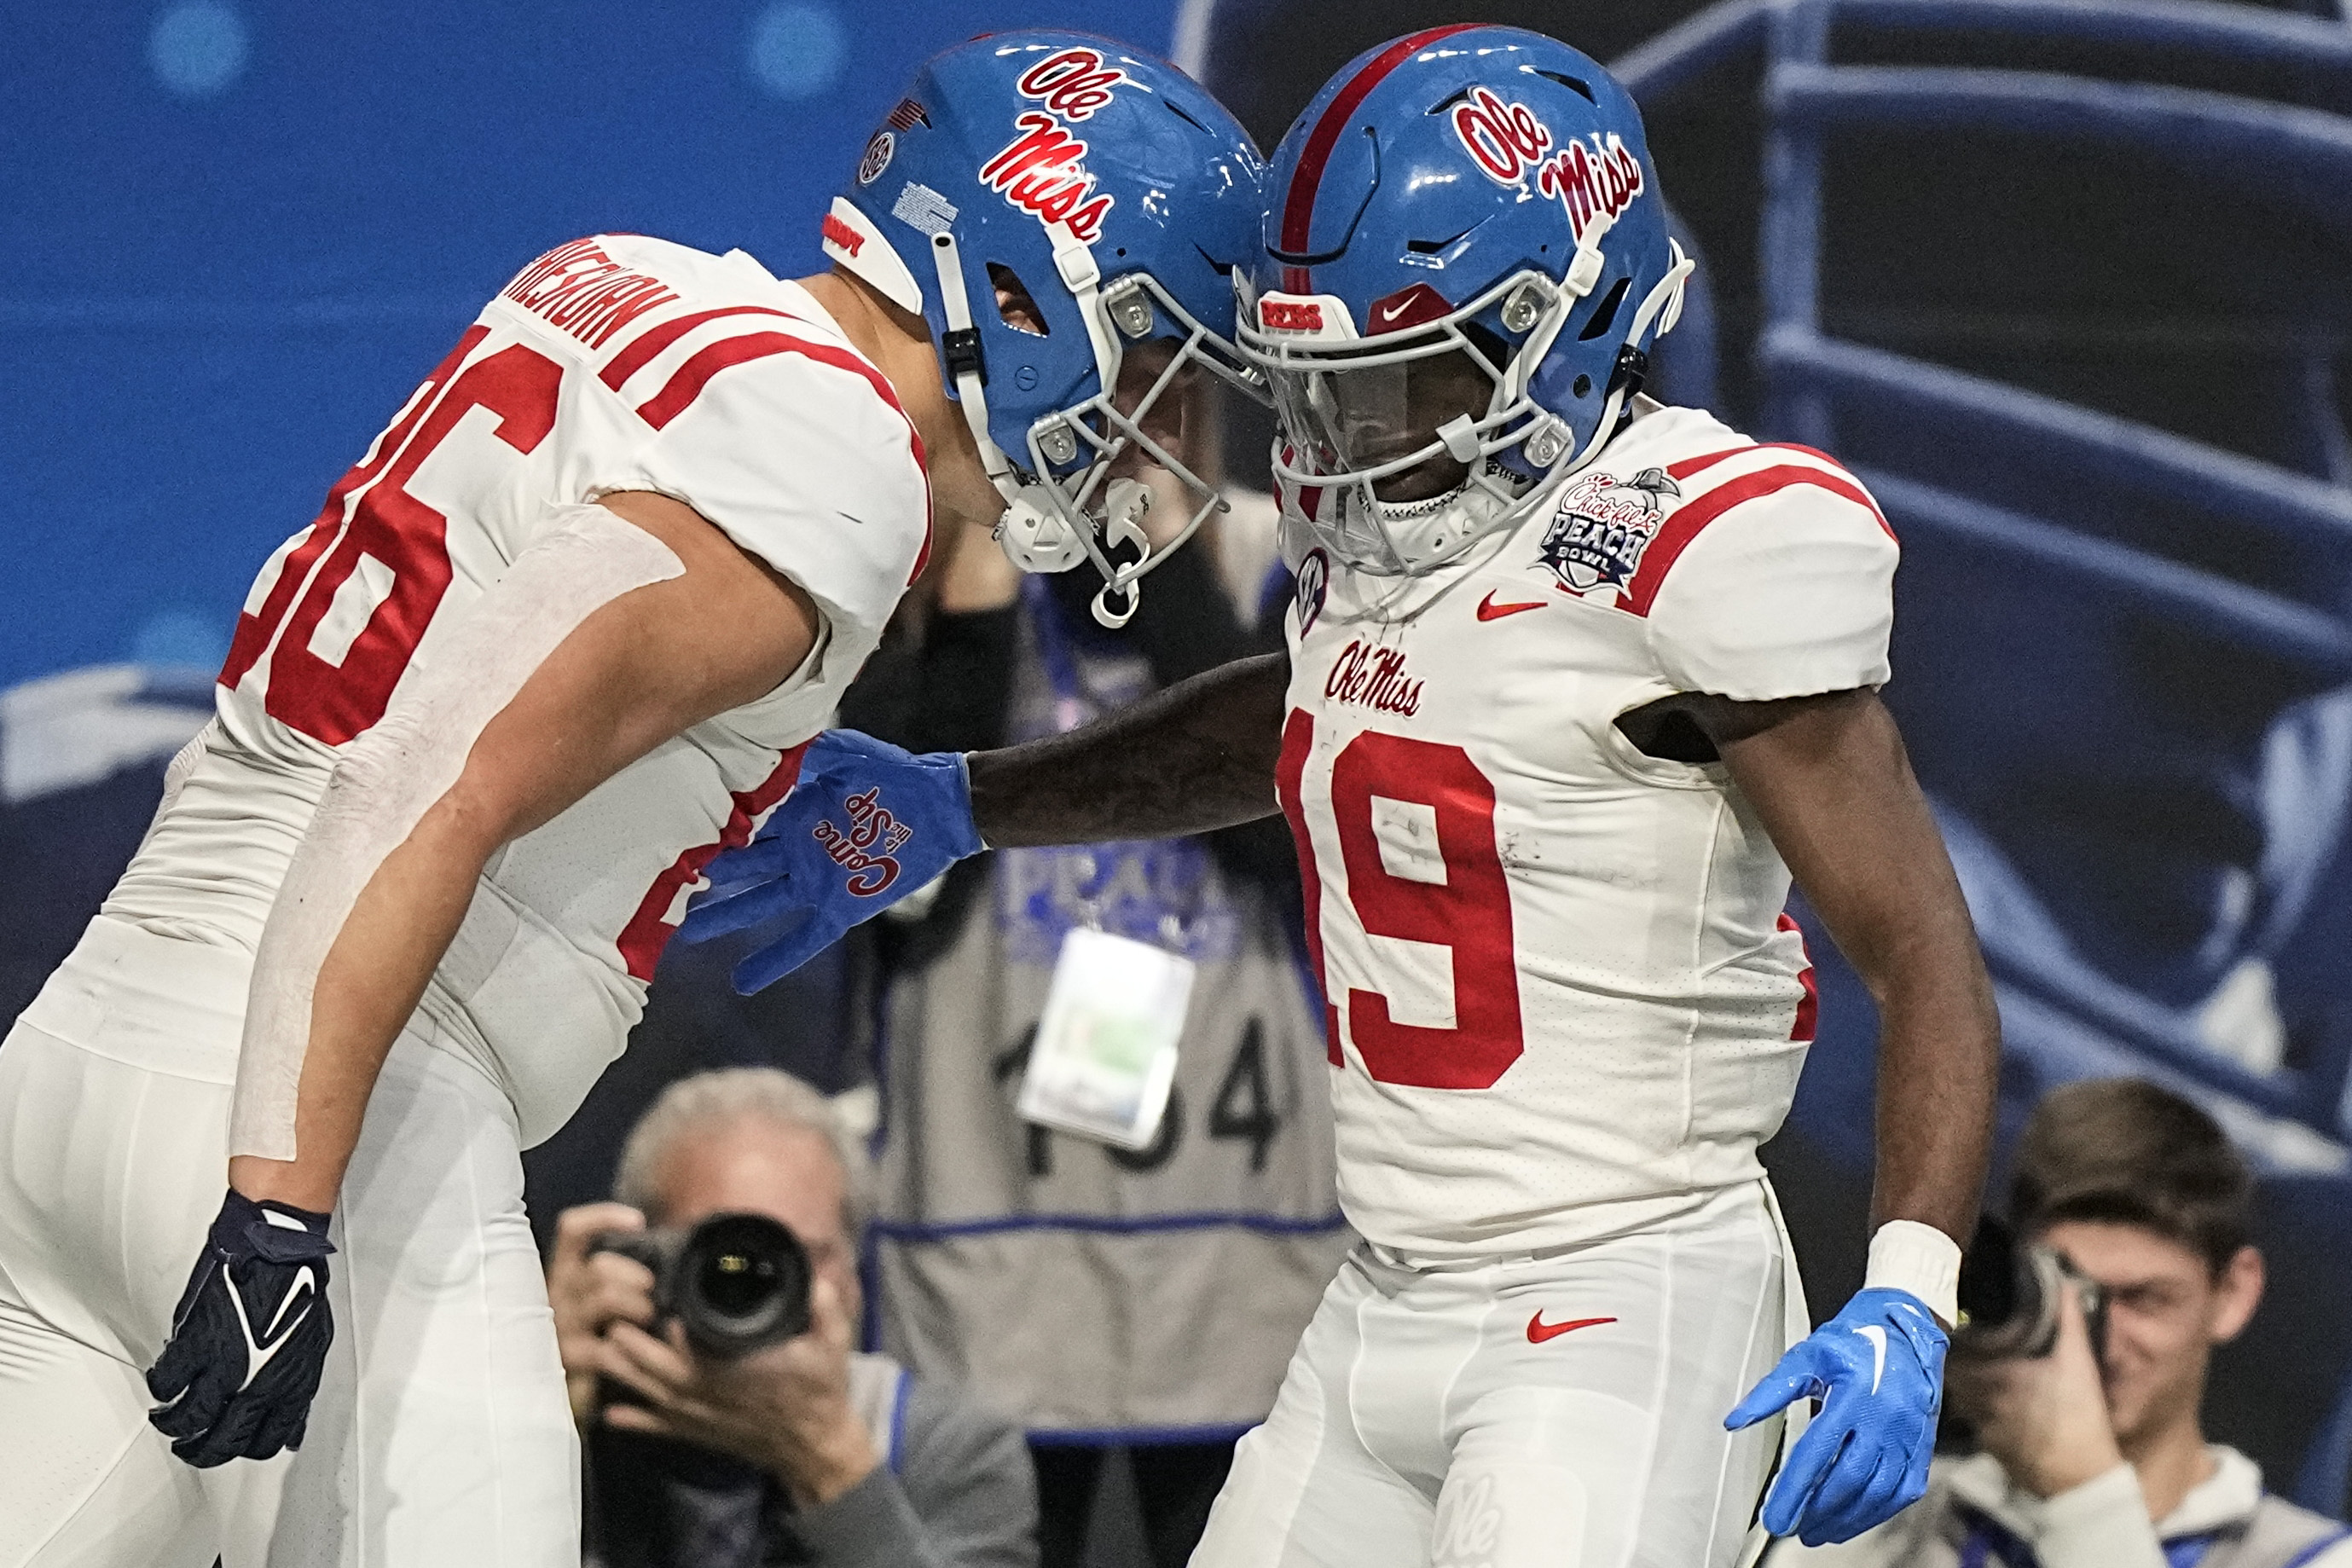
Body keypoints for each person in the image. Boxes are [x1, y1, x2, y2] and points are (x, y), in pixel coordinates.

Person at [682, 26, 2003, 1566]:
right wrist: (969, 798)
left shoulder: (1695, 545)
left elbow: (1923, 956)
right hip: (1379, 1286)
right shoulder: (1404, 522)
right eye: (1318, 379)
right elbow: (1307, 716)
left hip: (1617, 1289)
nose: (1343, 435)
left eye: (1399, 374)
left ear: (1560, 322)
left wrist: (1907, 1288)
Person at [0, 32, 1264, 1567]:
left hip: (96, 1039)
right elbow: (429, 771)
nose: (1141, 406)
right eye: (1138, 342)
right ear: (1014, 287)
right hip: (333, 1075)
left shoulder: (627, 278)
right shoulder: (841, 460)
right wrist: (280, 1203)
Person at [839, 481, 1343, 1568]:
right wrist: (972, 606)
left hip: (1234, 1228)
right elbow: (898, 892)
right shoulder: (913, 580)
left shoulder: (1269, 554)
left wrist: (1166, 552)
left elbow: (1288, 832)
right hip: (997, 1220)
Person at [1775, 1078, 2352, 1567]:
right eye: (2071, 1291)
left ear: (2233, 1292)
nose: (2096, 1342)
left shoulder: (2315, 1556)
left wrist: (2081, 1489)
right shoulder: (1891, 1518)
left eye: (2145, 1299)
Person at [547, 1067, 1036, 1568]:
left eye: (798, 1255)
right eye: (719, 1252)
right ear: (638, 1255)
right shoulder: (573, 1414)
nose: (753, 1282)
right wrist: (532, 1414)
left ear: (852, 1277)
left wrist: (828, 1459)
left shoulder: (945, 1448)